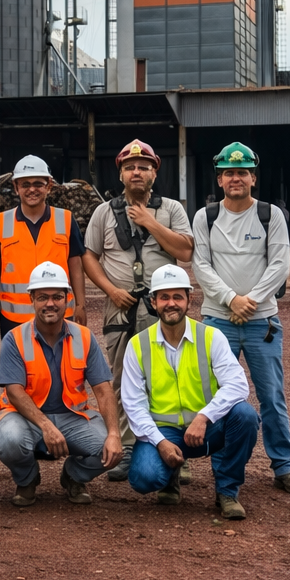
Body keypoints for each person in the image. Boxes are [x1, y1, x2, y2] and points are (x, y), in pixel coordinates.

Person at [190, 142, 290, 496]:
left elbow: (280, 265)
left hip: (262, 322)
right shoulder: (205, 217)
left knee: (272, 395)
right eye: (229, 172)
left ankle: (285, 466)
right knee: (217, 396)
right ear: (220, 178)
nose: (235, 178)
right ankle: (220, 465)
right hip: (218, 319)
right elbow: (201, 266)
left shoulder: (270, 215)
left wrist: (251, 301)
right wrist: (231, 299)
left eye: (242, 172)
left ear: (253, 178)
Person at [81, 138, 194, 482]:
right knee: (118, 379)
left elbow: (185, 250)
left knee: (163, 378)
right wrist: (110, 290)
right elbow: (89, 255)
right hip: (119, 307)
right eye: (130, 167)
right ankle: (128, 445)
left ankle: (171, 447)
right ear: (121, 174)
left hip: (161, 309)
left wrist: (149, 222)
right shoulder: (104, 212)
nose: (136, 172)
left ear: (154, 173)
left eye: (144, 167)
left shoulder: (171, 209)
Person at [121, 265, 258, 519]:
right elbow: (133, 404)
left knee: (245, 416)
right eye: (164, 297)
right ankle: (168, 476)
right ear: (153, 302)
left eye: (177, 297)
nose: (171, 303)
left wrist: (204, 416)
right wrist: (160, 442)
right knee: (143, 478)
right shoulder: (137, 345)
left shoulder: (211, 337)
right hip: (163, 432)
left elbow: (238, 384)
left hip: (207, 429)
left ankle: (227, 490)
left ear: (189, 300)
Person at [0, 261, 123, 506]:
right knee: (10, 441)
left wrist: (115, 434)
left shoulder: (84, 337)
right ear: (31, 298)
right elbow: (14, 391)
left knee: (110, 450)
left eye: (57, 296)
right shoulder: (15, 338)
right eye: (42, 297)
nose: (50, 303)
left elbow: (103, 390)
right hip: (24, 418)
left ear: (68, 298)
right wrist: (46, 426)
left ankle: (73, 476)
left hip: (72, 416)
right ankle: (27, 479)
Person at [0, 155, 87, 341]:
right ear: (16, 188)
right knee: (19, 368)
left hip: (58, 313)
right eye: (25, 184)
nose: (32, 189)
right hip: (14, 318)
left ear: (49, 186)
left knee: (58, 366)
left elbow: (76, 266)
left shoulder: (66, 220)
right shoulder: (1, 223)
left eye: (38, 183)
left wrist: (80, 305)